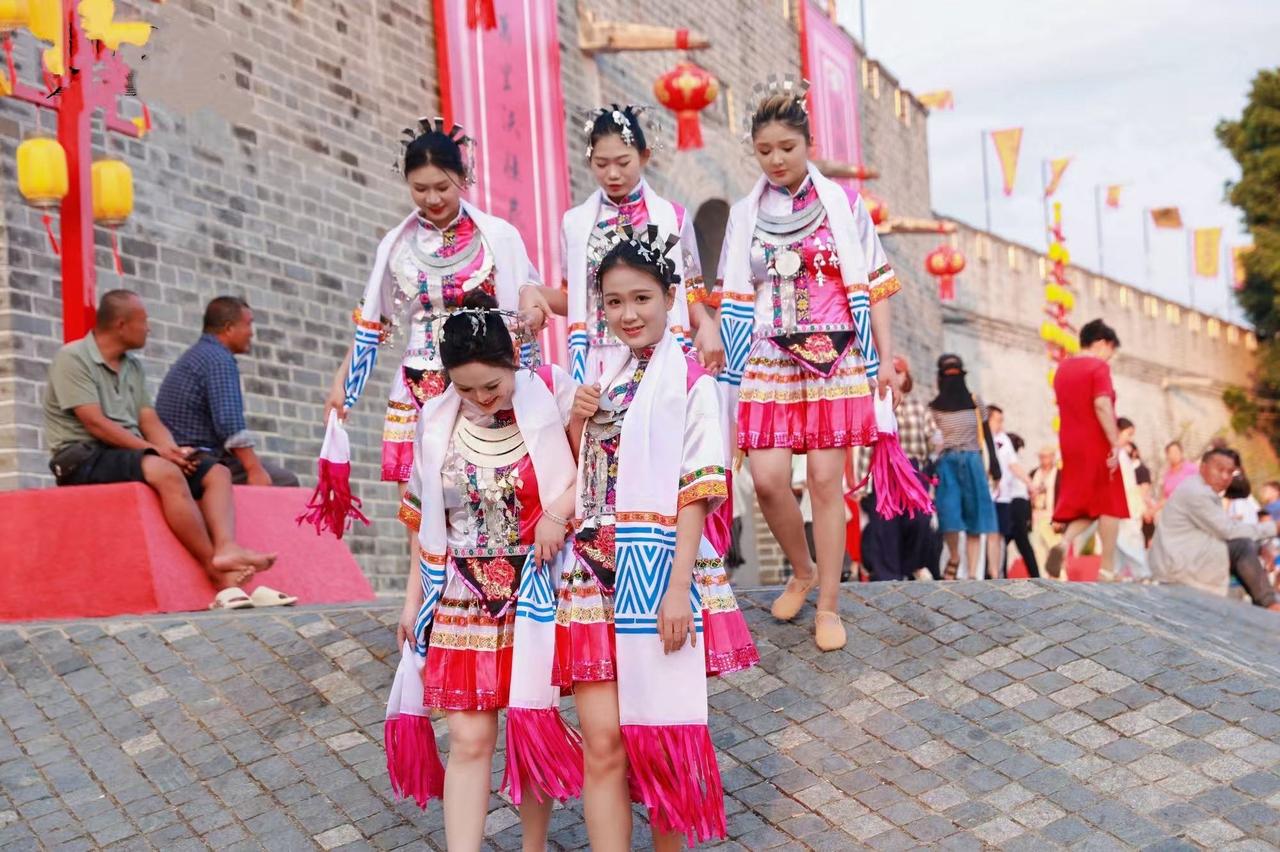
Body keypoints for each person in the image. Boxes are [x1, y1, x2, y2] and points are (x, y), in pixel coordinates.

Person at [555, 226, 757, 850]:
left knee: (661, 742)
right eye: (614, 302)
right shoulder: (600, 378)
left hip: (658, 570)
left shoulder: (693, 382)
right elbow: (581, 476)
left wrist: (676, 590)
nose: (628, 314)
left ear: (670, 298)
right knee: (603, 744)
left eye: (641, 298)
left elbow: (698, 490)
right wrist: (577, 421)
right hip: (591, 571)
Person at [386, 295, 584, 847]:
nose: (479, 398)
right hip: (461, 597)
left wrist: (556, 513)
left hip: (536, 587)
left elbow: (593, 472)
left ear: (512, 360)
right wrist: (412, 603)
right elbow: (423, 521)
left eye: (491, 385)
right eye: (465, 388)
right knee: (469, 741)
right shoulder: (434, 421)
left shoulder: (553, 394)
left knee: (531, 726)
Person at [717, 79, 903, 652]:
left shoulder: (844, 206)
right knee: (768, 479)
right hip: (769, 356)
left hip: (835, 355)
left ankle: (828, 604)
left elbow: (876, 283)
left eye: (787, 148)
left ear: (808, 144)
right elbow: (733, 290)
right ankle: (803, 569)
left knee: (825, 481)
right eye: (764, 150)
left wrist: (884, 359)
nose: (776, 159)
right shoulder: (746, 214)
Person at [323, 119, 539, 491]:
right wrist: (343, 385)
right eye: (420, 189)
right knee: (416, 495)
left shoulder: (498, 237)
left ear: (463, 177)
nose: (432, 199)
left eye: (442, 187)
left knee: (488, 490)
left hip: (481, 378)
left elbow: (524, 304)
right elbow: (375, 322)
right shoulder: (396, 245)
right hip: (417, 378)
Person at [42, 290, 288, 610]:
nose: (149, 328)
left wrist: (173, 451)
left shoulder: (133, 366)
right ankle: (213, 569)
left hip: (129, 452)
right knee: (166, 472)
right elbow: (96, 423)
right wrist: (157, 453)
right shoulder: (72, 358)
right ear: (121, 324)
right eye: (144, 321)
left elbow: (148, 418)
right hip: (81, 455)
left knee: (216, 471)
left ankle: (226, 548)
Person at [518, 104, 724, 382]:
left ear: (644, 156)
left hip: (660, 349)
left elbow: (688, 290)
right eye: (601, 164)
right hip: (600, 357)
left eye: (623, 162)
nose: (612, 174)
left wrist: (707, 325)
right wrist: (529, 290)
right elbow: (575, 298)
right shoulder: (576, 224)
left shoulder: (672, 217)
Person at [156, 297, 300, 487]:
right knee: (285, 481)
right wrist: (254, 469)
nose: (251, 333)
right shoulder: (219, 360)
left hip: (182, 455)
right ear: (229, 328)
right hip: (196, 460)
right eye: (248, 324)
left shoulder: (199, 354)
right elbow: (230, 424)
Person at [1046, 319, 1128, 581]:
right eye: (1111, 350)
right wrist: (1115, 441)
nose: (1110, 357)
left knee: (1090, 503)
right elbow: (1102, 404)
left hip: (1070, 443)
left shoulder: (1062, 369)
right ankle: (1107, 569)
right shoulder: (1098, 367)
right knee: (1111, 504)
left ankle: (1063, 543)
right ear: (1102, 343)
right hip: (1097, 441)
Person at [1149, 447, 1280, 611]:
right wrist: (1274, 527)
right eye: (1219, 469)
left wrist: (1259, 547)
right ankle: (1270, 604)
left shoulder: (1200, 488)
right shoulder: (1197, 493)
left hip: (1184, 556)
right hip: (1178, 563)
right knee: (1242, 546)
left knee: (1245, 544)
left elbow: (1224, 529)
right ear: (1203, 467)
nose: (1225, 477)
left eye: (1230, 472)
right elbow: (1227, 531)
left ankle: (1268, 602)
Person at [926, 354, 1000, 581]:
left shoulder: (976, 401)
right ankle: (955, 556)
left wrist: (995, 465)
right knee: (948, 515)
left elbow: (987, 435)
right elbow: (930, 440)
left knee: (975, 516)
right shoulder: (933, 408)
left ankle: (972, 573)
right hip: (946, 463)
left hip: (973, 460)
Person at [1030, 445, 1061, 570]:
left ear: (1053, 457)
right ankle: (1042, 577)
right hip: (1035, 517)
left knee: (1055, 550)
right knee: (1038, 551)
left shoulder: (1059, 474)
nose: (1044, 460)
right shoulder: (1034, 473)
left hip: (1052, 517)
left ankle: (1060, 578)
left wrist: (1061, 518)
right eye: (1041, 457)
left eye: (1046, 457)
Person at [1159, 440, 1199, 505]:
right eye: (1171, 452)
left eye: (1176, 451)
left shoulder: (1192, 469)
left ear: (1181, 453)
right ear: (1167, 456)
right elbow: (1163, 498)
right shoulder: (1166, 474)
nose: (1174, 455)